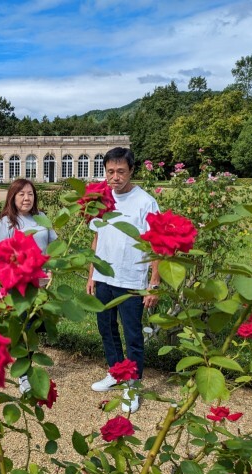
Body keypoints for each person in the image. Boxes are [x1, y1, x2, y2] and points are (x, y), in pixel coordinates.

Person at [86, 147, 160, 414]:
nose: (115, 177)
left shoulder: (145, 202)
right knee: (106, 329)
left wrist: (154, 282)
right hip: (104, 277)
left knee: (132, 335)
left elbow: (156, 244)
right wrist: (92, 273)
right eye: (110, 172)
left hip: (132, 280)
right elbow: (96, 238)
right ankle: (117, 373)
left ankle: (133, 384)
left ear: (131, 171)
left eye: (120, 172)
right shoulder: (101, 199)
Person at [0, 178, 57, 394]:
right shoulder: (7, 222)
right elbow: (0, 255)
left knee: (35, 326)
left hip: (41, 282)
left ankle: (26, 366)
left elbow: (53, 247)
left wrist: (51, 268)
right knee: (22, 327)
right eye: (21, 194)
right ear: (13, 197)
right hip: (19, 283)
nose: (26, 198)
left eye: (30, 193)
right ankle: (24, 375)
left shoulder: (42, 218)